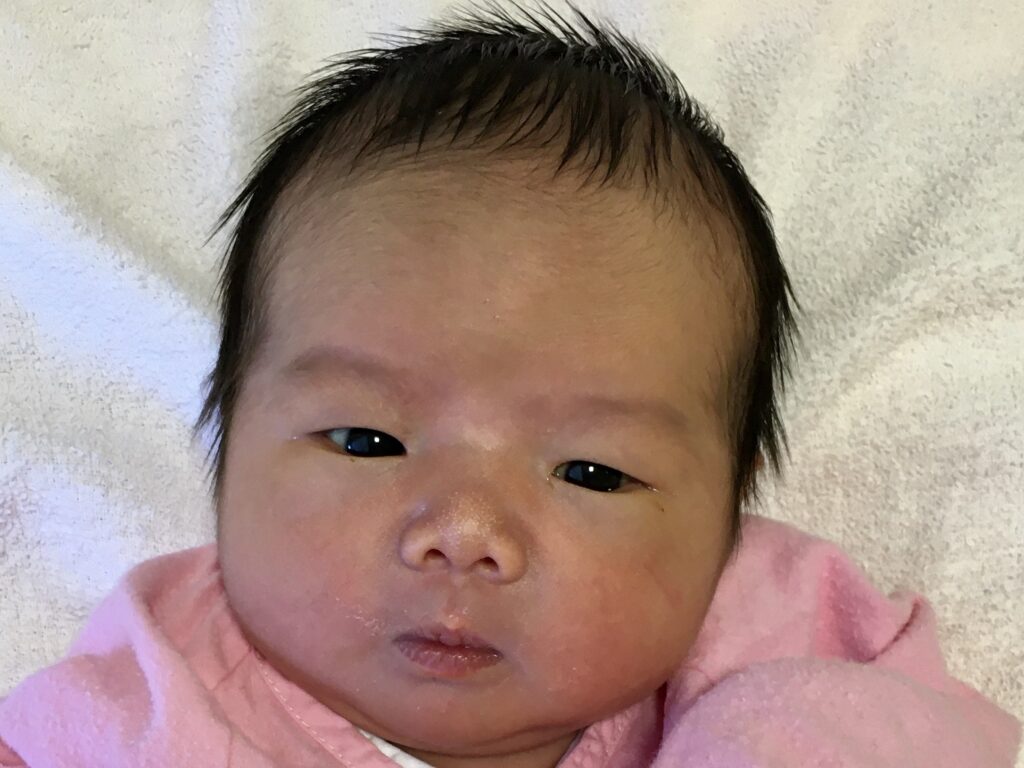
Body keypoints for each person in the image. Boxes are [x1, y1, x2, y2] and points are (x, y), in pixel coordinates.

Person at [0, 3, 1018, 766]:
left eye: (591, 472)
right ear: (226, 435)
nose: (463, 533)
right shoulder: (141, 709)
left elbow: (925, 729)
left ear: (727, 505)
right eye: (366, 442)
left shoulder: (764, 625)